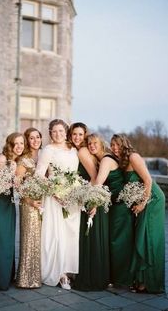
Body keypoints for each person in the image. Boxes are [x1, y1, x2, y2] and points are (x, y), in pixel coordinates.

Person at [111, 134, 165, 293]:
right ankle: (140, 280)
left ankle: (149, 282)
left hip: (152, 200)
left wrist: (142, 204)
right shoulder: (122, 161)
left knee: (148, 237)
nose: (115, 148)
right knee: (141, 237)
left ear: (125, 144)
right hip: (142, 200)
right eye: (112, 145)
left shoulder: (134, 157)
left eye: (118, 145)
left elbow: (148, 180)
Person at [35, 119, 80, 290]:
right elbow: (40, 174)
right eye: (54, 131)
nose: (58, 134)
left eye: (61, 131)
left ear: (66, 131)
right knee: (57, 234)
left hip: (73, 198)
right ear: (50, 133)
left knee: (71, 234)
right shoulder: (48, 150)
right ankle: (60, 274)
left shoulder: (74, 149)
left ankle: (69, 270)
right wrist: (55, 193)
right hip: (55, 198)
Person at [87, 133, 134, 289]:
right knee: (115, 242)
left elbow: (99, 182)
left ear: (101, 144)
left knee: (119, 242)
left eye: (95, 143)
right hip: (114, 205)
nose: (91, 146)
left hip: (121, 206)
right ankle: (116, 277)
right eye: (89, 144)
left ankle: (122, 280)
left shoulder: (106, 160)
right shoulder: (103, 159)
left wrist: (93, 202)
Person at [68, 124, 111, 291]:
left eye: (80, 134)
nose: (77, 137)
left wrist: (93, 201)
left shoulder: (83, 151)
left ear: (84, 135)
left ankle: (91, 278)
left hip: (91, 197)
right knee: (90, 238)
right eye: (74, 134)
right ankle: (95, 276)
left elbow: (94, 178)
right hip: (88, 195)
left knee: (90, 238)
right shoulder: (82, 150)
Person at [0, 132, 25, 290]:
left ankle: (6, 276)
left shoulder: (17, 162)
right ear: (10, 144)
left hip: (9, 204)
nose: (19, 146)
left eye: (22, 143)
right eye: (16, 143)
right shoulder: (2, 159)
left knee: (8, 242)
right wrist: (12, 183)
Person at [15, 128, 43, 288]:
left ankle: (41, 275)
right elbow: (17, 185)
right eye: (31, 138)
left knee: (42, 240)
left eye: (37, 137)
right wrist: (30, 201)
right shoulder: (23, 159)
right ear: (27, 140)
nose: (35, 140)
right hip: (29, 203)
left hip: (45, 202)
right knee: (30, 238)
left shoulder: (45, 155)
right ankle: (26, 279)